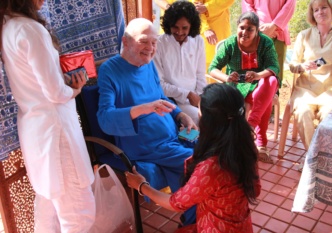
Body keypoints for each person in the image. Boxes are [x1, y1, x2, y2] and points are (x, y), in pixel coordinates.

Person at [0, 0, 95, 232]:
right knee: (79, 216)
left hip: (37, 130)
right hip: (56, 133)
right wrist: (76, 87)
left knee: (48, 206)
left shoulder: (8, 26)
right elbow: (56, 92)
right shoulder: (30, 29)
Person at [97, 17, 197, 226]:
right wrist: (143, 109)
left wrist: (180, 115)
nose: (151, 48)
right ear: (125, 41)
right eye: (144, 41)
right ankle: (194, 220)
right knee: (198, 162)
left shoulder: (148, 65)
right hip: (146, 145)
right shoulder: (110, 70)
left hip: (172, 134)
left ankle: (194, 216)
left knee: (207, 144)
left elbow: (160, 96)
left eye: (154, 42)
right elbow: (105, 119)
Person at [125, 83, 261, 233]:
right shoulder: (247, 146)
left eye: (200, 112)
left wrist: (141, 185)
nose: (198, 115)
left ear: (210, 122)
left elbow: (175, 203)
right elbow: (255, 190)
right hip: (241, 226)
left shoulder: (211, 167)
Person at [208, 11, 280, 164]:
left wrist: (258, 75)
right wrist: (227, 77)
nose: (245, 33)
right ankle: (261, 142)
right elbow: (213, 68)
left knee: (270, 82)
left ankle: (250, 125)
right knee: (265, 101)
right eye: (242, 28)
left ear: (257, 30)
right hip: (236, 87)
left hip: (259, 85)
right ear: (237, 27)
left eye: (250, 29)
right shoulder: (230, 44)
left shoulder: (265, 42)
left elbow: (274, 66)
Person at [289, 0, 332, 151]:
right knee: (303, 112)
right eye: (316, 10)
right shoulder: (304, 35)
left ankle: (321, 156)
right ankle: (313, 158)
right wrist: (302, 66)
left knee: (329, 115)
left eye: (324, 7)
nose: (320, 12)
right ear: (312, 14)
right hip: (305, 89)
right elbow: (293, 64)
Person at [154, 1, 207, 125]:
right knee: (201, 119)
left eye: (184, 28)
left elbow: (200, 75)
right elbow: (159, 84)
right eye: (175, 27)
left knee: (222, 115)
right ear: (168, 25)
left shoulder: (198, 40)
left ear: (191, 26)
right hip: (171, 100)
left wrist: (200, 99)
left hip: (196, 98)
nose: (179, 32)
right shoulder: (159, 43)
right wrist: (187, 94)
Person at [242, 0, 296, 81]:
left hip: (279, 33)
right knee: (254, 73)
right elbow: (247, 4)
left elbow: (290, 4)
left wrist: (274, 26)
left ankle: (275, 93)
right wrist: (258, 25)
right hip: (256, 32)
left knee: (275, 74)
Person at [189, 0, 235, 69]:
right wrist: (205, 29)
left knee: (222, 58)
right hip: (202, 29)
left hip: (221, 25)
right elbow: (195, 7)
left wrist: (207, 7)